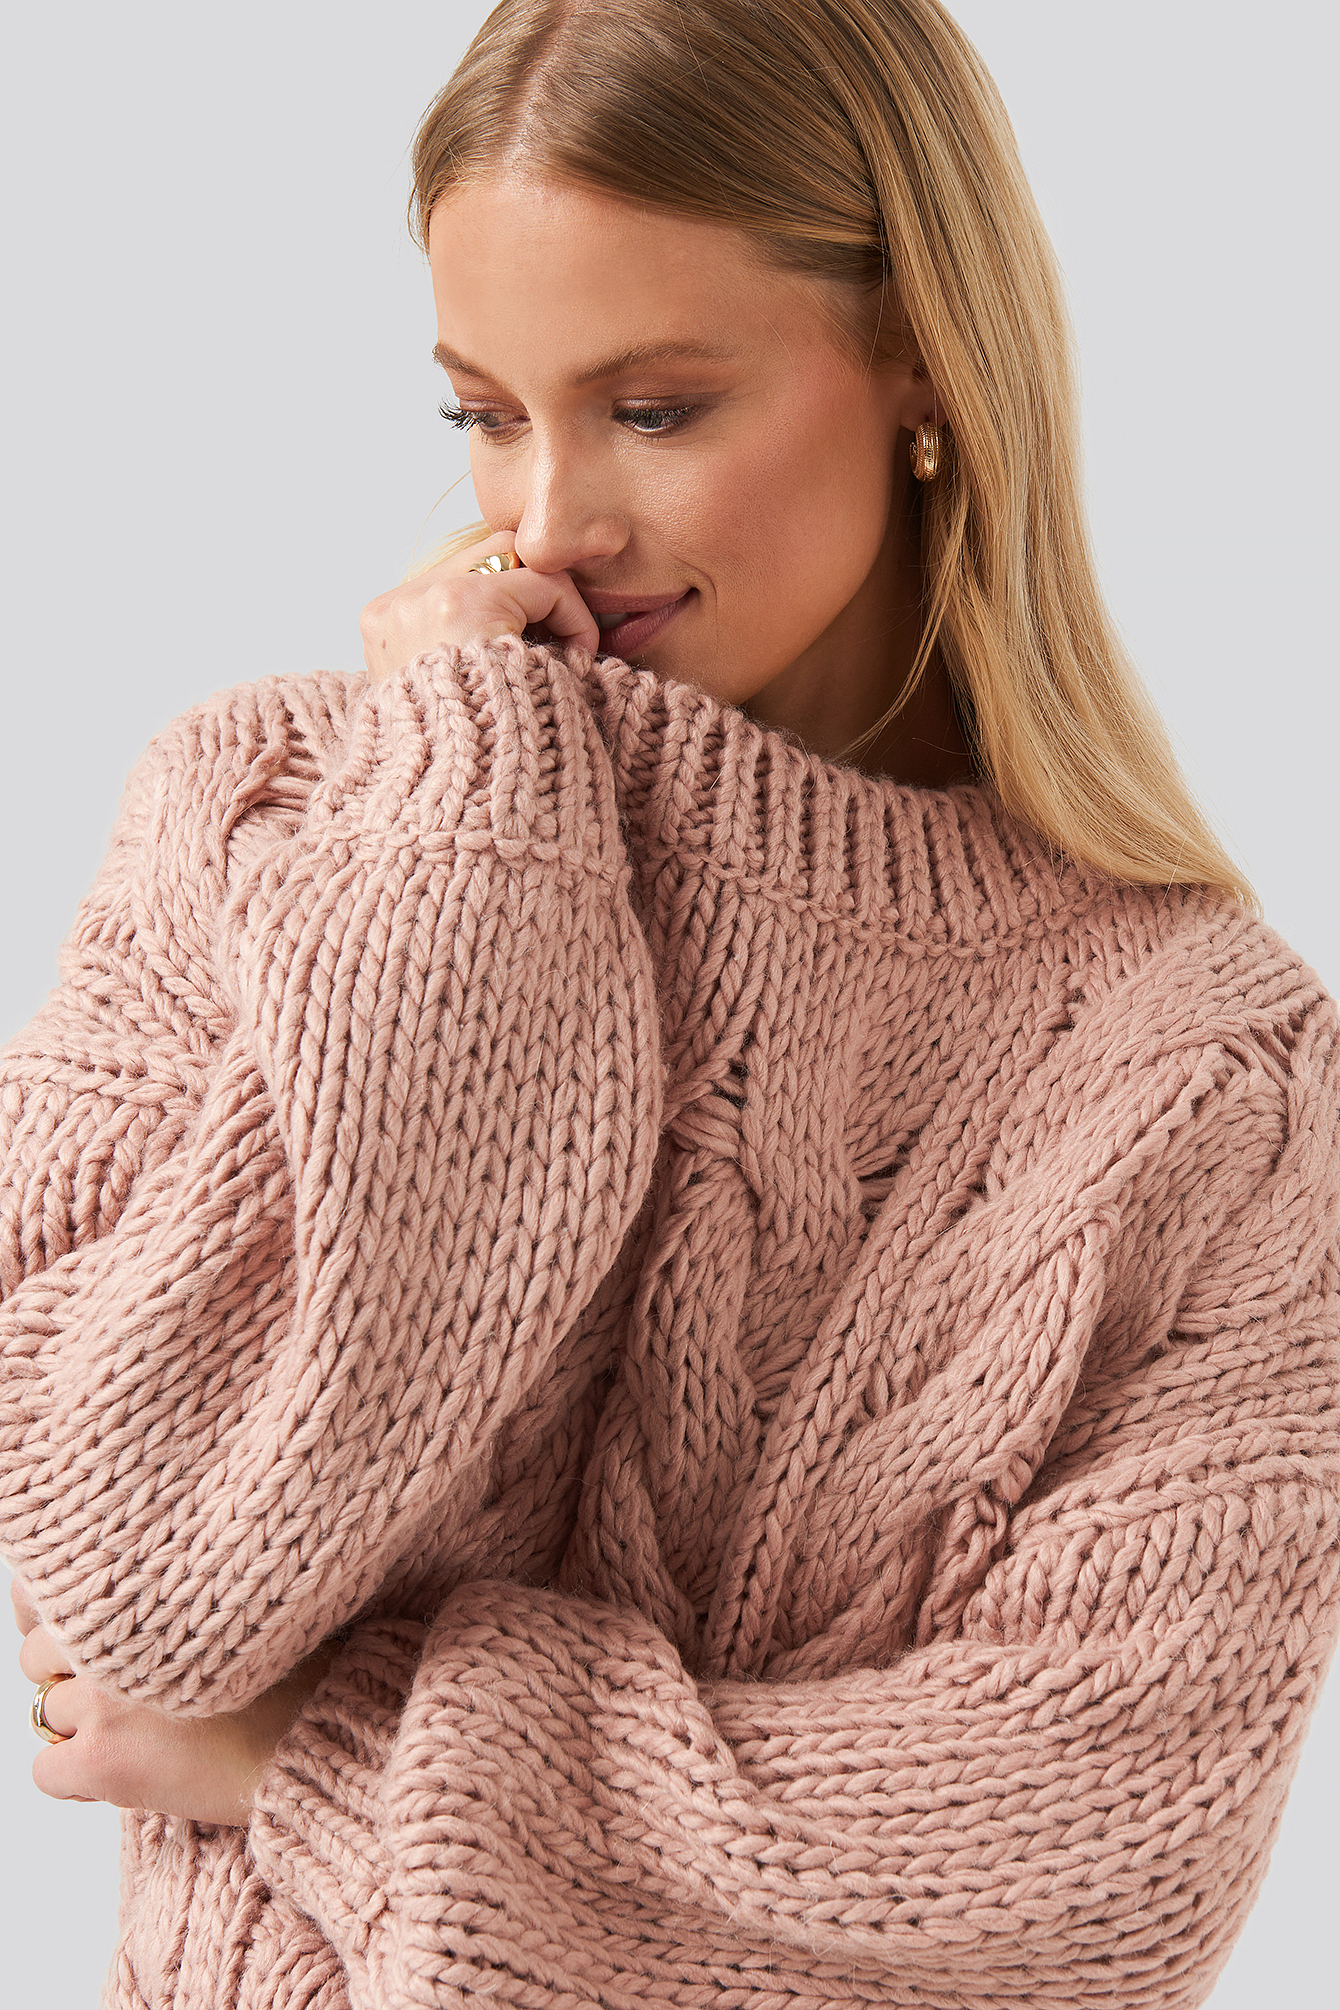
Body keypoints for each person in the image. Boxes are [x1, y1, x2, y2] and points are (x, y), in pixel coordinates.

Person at [4, 1, 1338, 2005]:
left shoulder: (1215, 1077)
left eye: (652, 409)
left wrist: (327, 1756)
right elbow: (143, 1581)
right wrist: (464, 824)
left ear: (923, 363)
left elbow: (1083, 1872)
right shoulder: (268, 816)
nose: (548, 522)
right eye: (480, 413)